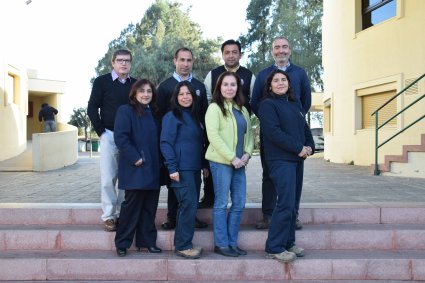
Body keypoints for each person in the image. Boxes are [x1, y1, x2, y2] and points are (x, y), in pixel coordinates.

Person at [250, 37, 311, 230]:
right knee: (269, 174)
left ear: (290, 50)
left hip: (294, 135)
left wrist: (293, 121)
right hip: (272, 135)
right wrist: (271, 121)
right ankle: (268, 215)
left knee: (294, 177)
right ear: (272, 51)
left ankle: (293, 215)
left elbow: (306, 102)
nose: (281, 51)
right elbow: (255, 102)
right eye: (277, 47)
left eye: (285, 46)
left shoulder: (300, 73)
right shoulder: (262, 75)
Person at [258, 69, 314, 262]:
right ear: (270, 85)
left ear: (289, 84)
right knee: (285, 204)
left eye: (284, 79)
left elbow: (304, 128)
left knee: (293, 205)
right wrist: (298, 147)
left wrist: (310, 146)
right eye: (276, 80)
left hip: (297, 160)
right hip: (280, 161)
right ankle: (274, 246)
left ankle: (289, 242)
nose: (280, 82)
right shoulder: (267, 105)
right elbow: (273, 132)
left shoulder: (295, 104)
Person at [157, 47, 209, 230]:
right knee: (175, 184)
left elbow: (203, 118)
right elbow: (159, 116)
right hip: (173, 145)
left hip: (193, 147)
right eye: (182, 60)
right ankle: (173, 217)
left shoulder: (200, 87)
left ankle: (190, 217)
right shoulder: (164, 87)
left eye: (189, 60)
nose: (185, 64)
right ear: (175, 60)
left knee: (193, 185)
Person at [200, 39, 256, 209]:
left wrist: (242, 118)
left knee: (237, 163)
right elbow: (207, 99)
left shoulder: (248, 75)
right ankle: (209, 197)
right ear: (223, 54)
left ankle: (233, 196)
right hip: (217, 125)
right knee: (214, 162)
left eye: (234, 52)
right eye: (227, 52)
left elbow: (253, 99)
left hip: (238, 127)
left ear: (240, 54)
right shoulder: (213, 74)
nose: (231, 55)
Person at [205, 71, 253, 257]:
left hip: (240, 163)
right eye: (225, 84)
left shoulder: (243, 109)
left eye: (233, 84)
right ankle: (221, 244)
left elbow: (248, 135)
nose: (229, 88)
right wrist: (232, 158)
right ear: (219, 87)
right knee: (221, 203)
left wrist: (247, 154)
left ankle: (232, 243)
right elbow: (214, 137)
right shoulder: (214, 108)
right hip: (221, 163)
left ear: (237, 87)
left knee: (239, 203)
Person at [87, 49, 136, 232]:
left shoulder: (136, 84)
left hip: (130, 138)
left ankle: (124, 215)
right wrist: (101, 132)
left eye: (127, 61)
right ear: (113, 63)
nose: (124, 64)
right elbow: (92, 108)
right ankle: (108, 216)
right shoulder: (102, 82)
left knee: (127, 179)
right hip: (109, 134)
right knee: (108, 178)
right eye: (120, 60)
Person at [113, 79, 162, 257]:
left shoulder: (154, 113)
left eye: (149, 91)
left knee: (149, 208)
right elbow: (121, 138)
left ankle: (147, 242)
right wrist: (136, 158)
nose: (146, 94)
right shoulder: (125, 111)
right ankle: (122, 243)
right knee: (131, 208)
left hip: (153, 169)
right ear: (134, 93)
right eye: (142, 91)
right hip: (136, 168)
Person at [160, 81, 208, 259]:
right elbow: (165, 143)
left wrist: (203, 165)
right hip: (180, 169)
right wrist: (172, 167)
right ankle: (182, 245)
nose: (185, 97)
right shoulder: (172, 116)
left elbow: (199, 143)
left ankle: (185, 242)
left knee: (190, 205)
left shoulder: (195, 117)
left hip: (194, 169)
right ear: (176, 97)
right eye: (181, 94)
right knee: (187, 205)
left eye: (188, 94)